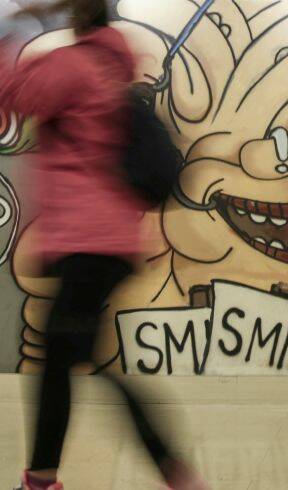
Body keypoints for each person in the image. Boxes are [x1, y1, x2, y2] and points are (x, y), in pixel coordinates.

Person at [0, 1, 207, 488]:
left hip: (87, 243)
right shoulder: (111, 67)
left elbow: (13, 91)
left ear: (74, 14)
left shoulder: (74, 67)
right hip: (105, 242)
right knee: (76, 360)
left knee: (63, 364)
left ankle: (168, 471)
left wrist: (17, 24)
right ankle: (162, 471)